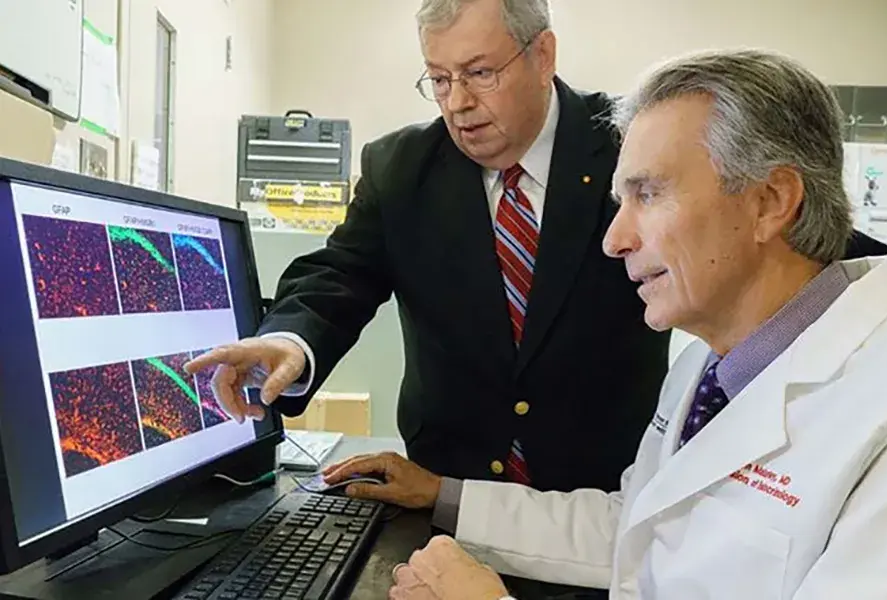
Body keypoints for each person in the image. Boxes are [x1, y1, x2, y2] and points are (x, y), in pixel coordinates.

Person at [325, 49, 887, 599]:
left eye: (647, 194)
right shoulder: (713, 366)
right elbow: (636, 526)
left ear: (770, 201)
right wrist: (443, 495)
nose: (615, 239)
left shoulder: (884, 423)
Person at [185, 0, 674, 499]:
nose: (457, 102)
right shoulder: (401, 167)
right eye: (439, 79)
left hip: (605, 500)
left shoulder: (628, 146)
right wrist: (292, 341)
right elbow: (341, 275)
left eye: (480, 73)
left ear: (543, 54)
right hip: (443, 494)